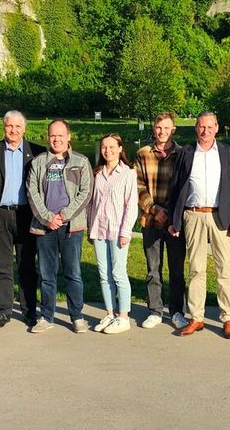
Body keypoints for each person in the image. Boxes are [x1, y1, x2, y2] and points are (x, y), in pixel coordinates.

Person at [168, 111, 230, 339]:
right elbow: (175, 187)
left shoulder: (227, 152)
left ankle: (227, 318)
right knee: (196, 268)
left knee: (224, 268)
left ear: (217, 128)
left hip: (221, 216)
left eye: (210, 127)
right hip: (194, 215)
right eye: (201, 127)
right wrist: (175, 219)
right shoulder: (186, 153)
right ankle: (196, 318)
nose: (205, 131)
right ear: (196, 128)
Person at [26, 119, 93, 334]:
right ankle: (46, 317)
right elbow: (32, 193)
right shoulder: (38, 163)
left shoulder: (81, 162)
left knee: (73, 273)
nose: (56, 139)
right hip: (45, 227)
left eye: (60, 135)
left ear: (68, 136)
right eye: (53, 135)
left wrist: (64, 215)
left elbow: (85, 193)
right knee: (47, 275)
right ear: (48, 137)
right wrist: (48, 218)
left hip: (71, 227)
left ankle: (77, 316)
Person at [0, 110, 45, 328]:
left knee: (27, 266)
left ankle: (29, 310)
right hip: (0, 214)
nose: (13, 130)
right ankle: (4, 311)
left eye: (18, 126)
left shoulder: (37, 152)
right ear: (3, 127)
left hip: (27, 214)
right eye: (9, 126)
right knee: (2, 266)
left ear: (24, 129)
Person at [134, 112, 188, 330]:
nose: (162, 132)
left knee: (177, 270)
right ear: (153, 128)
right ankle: (155, 310)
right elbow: (137, 186)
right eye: (158, 127)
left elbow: (186, 187)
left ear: (173, 129)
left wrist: (172, 212)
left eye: (166, 128)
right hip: (151, 220)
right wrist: (154, 209)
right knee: (153, 268)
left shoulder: (183, 154)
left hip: (175, 221)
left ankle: (176, 311)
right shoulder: (143, 154)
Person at [87, 134, 138, 334]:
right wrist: (90, 228)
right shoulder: (97, 173)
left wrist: (126, 232)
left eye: (111, 147)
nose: (107, 151)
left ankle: (123, 317)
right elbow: (91, 204)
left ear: (120, 148)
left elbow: (131, 205)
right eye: (104, 147)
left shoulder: (128, 173)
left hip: (118, 230)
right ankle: (110, 313)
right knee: (104, 274)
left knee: (118, 273)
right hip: (99, 229)